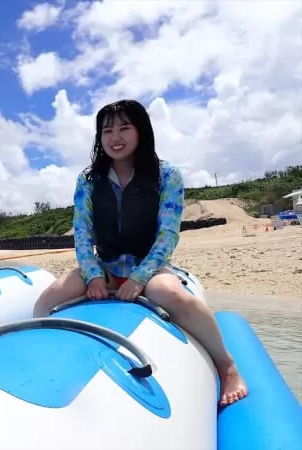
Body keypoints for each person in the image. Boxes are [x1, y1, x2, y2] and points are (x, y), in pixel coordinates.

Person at [32, 99, 248, 407]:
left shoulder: (167, 175)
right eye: (107, 131)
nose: (115, 137)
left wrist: (139, 278)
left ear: (141, 131)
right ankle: (38, 357)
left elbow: (168, 233)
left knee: (173, 295)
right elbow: (82, 232)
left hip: (150, 267)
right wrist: (93, 276)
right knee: (49, 297)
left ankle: (227, 366)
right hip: (105, 266)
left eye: (124, 128)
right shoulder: (88, 180)